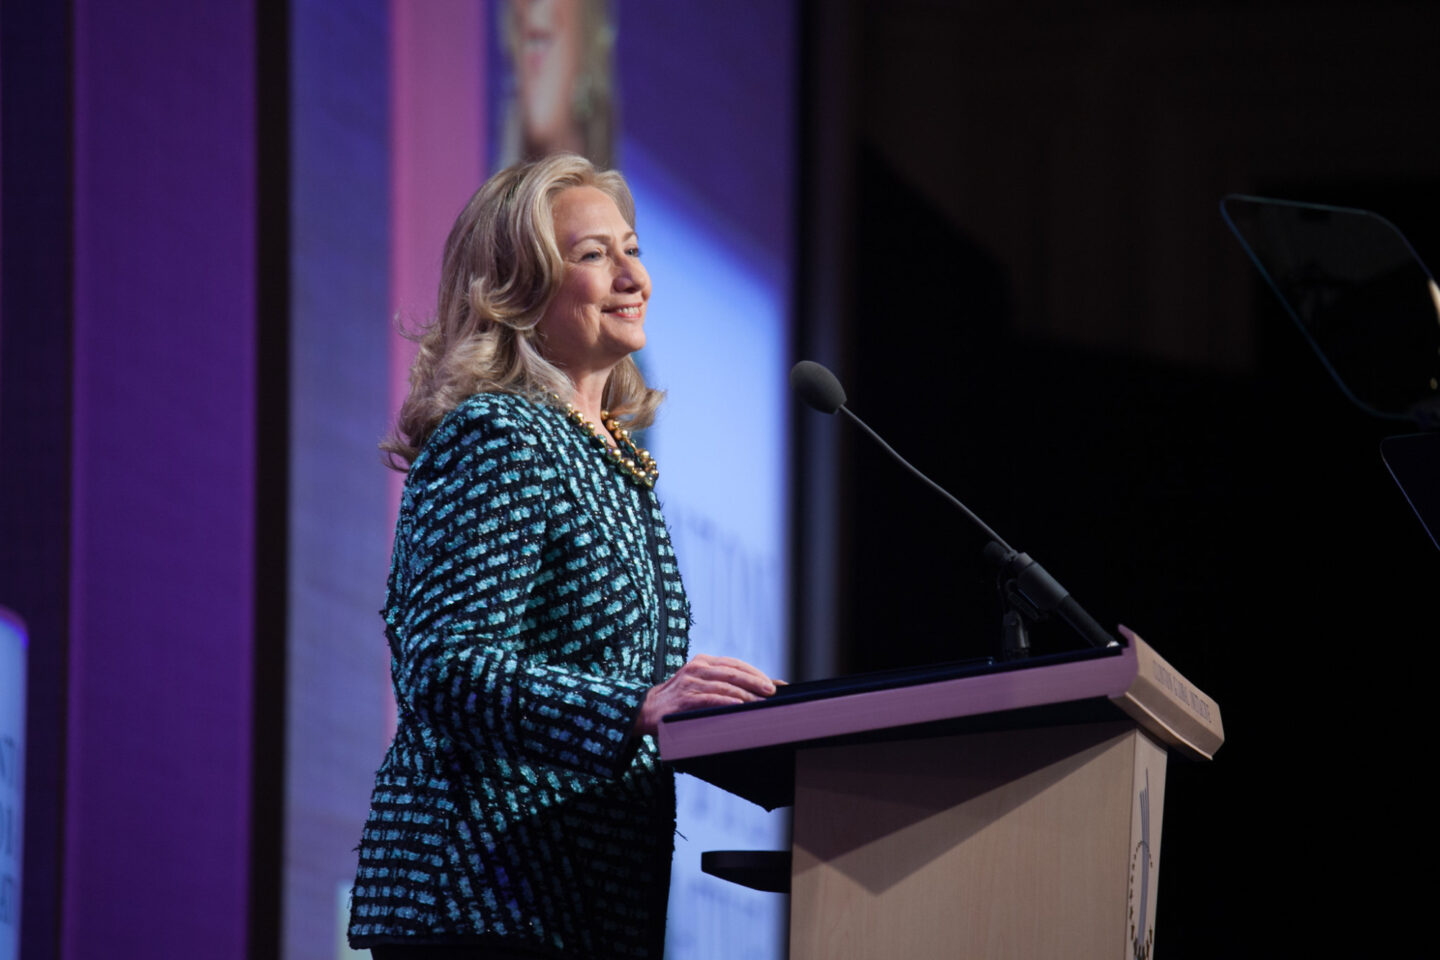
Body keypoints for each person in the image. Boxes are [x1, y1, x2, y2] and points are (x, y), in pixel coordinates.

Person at [348, 153, 779, 959]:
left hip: (583, 904)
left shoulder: (614, 457)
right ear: (517, 291)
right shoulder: (499, 434)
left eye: (633, 248)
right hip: (481, 892)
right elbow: (445, 664)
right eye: (592, 255)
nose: (631, 275)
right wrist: (636, 708)